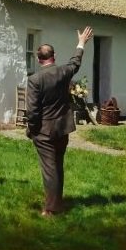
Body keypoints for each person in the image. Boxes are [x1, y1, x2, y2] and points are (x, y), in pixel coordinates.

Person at [26, 26, 94, 217]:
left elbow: (32, 111)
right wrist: (81, 43)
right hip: (62, 128)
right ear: (53, 56)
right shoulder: (64, 72)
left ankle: (52, 209)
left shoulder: (35, 79)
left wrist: (32, 129)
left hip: (44, 130)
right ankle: (57, 202)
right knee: (57, 165)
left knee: (49, 169)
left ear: (39, 60)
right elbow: (75, 62)